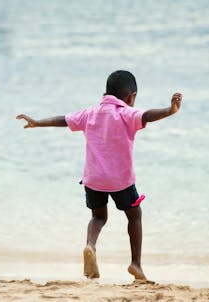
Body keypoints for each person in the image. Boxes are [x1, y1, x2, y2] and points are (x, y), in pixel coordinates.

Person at [16, 70, 182, 281]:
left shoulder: (90, 113)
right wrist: (170, 110)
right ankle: (136, 264)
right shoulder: (126, 113)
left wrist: (37, 122)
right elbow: (147, 115)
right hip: (121, 181)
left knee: (98, 216)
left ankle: (90, 245)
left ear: (105, 93)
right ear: (131, 97)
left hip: (93, 180)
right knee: (134, 215)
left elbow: (64, 120)